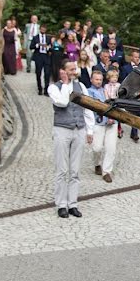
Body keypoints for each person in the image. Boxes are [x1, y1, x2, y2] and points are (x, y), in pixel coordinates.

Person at [48, 61, 94, 218]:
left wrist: (90, 130)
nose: (75, 71)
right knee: (62, 170)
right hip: (62, 129)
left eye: (75, 69)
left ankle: (73, 204)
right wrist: (66, 84)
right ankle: (61, 204)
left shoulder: (81, 86)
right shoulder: (54, 87)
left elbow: (87, 108)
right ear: (63, 71)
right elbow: (62, 102)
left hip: (79, 129)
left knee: (75, 171)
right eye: (71, 69)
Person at [88, 70, 120, 182]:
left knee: (111, 148)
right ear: (91, 80)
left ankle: (107, 171)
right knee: (97, 148)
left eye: (100, 79)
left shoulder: (107, 89)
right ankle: (97, 163)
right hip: (98, 123)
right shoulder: (89, 92)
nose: (98, 81)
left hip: (112, 123)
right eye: (96, 79)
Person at [30, 24, 52, 95]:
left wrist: (47, 47)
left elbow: (51, 48)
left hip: (46, 56)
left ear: (45, 30)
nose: (43, 30)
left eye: (44, 29)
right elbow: (31, 47)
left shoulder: (48, 38)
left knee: (47, 73)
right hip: (38, 56)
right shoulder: (35, 37)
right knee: (38, 73)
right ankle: (39, 88)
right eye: (42, 29)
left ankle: (46, 89)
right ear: (40, 29)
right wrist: (37, 45)